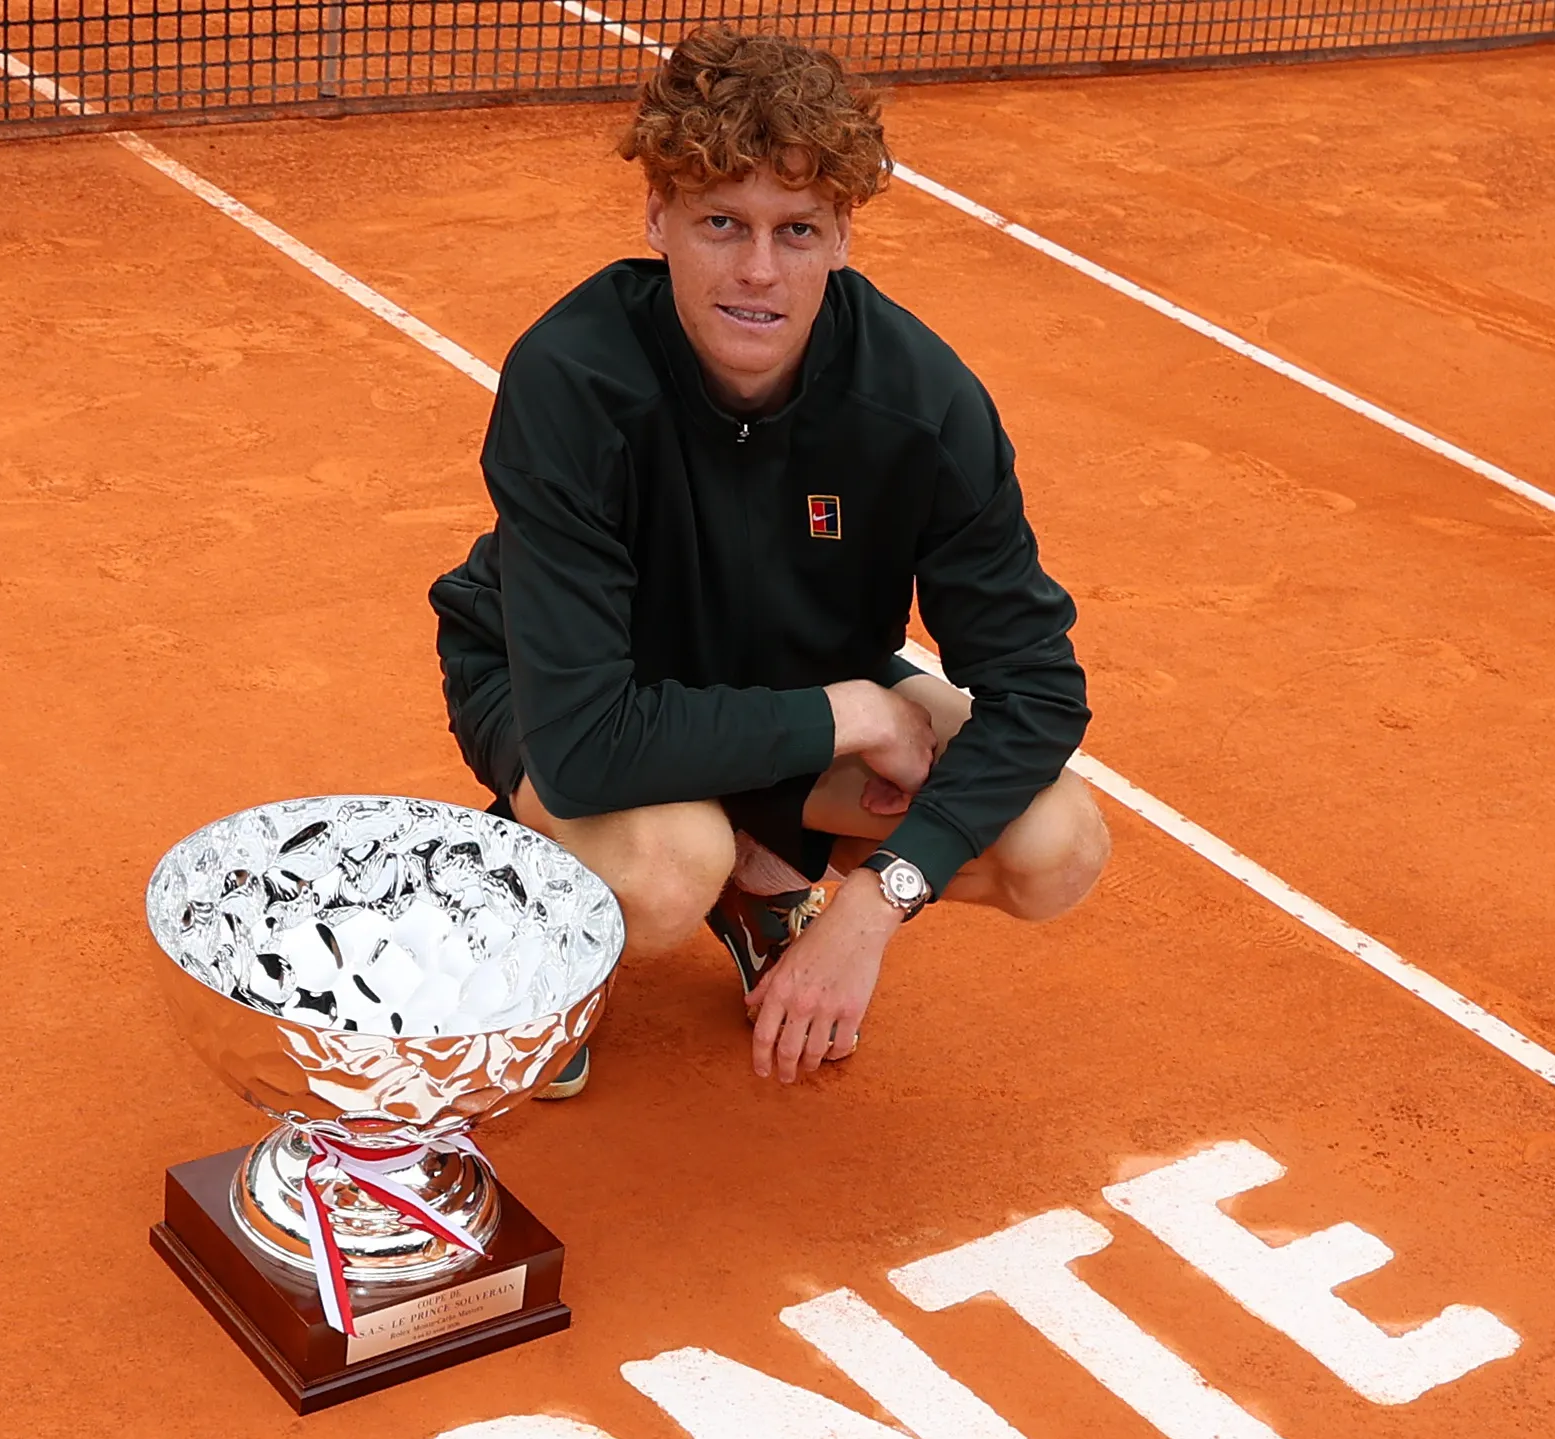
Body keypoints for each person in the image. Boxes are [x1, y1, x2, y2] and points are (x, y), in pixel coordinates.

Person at [430, 23, 1108, 1092]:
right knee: (664, 864)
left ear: (844, 234)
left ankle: (766, 881)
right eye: (720, 222)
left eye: (797, 230)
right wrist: (860, 713)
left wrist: (874, 903)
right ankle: (533, 910)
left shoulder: (921, 403)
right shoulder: (572, 380)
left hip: (789, 684)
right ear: (657, 216)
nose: (758, 271)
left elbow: (1037, 689)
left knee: (1057, 843)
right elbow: (587, 747)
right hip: (574, 691)